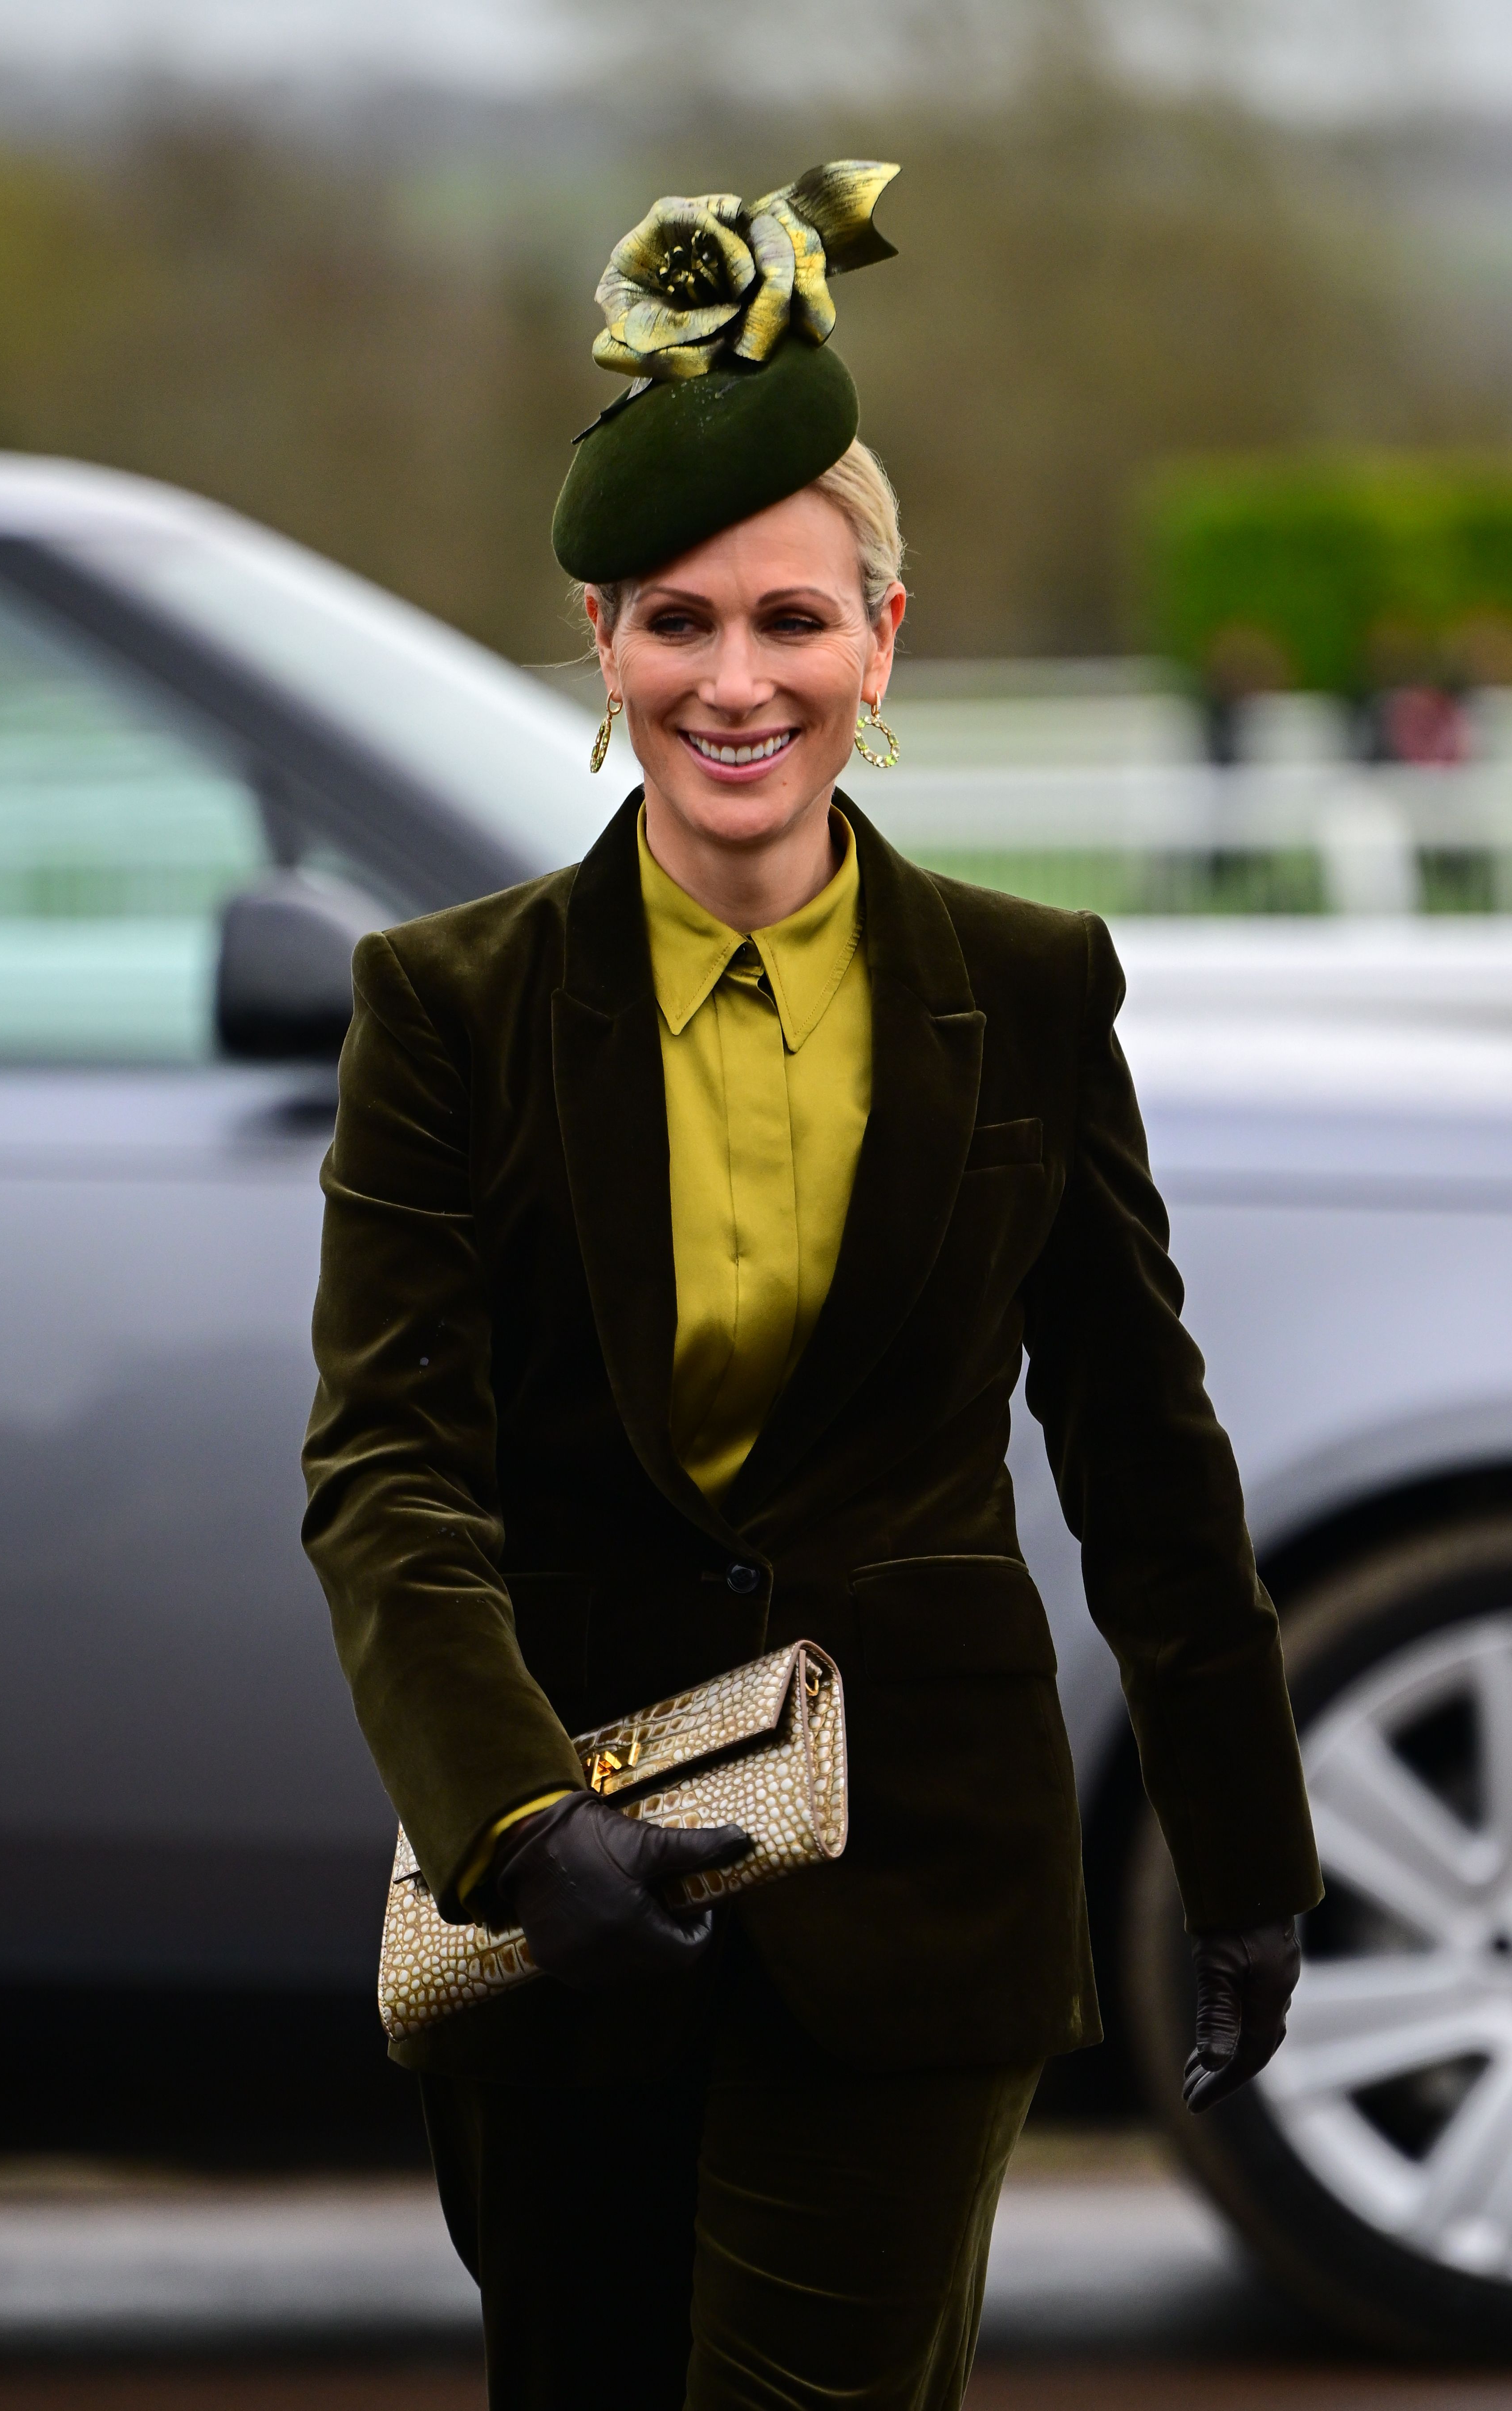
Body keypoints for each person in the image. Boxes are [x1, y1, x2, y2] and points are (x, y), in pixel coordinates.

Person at [301, 162, 1322, 2411]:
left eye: (790, 621)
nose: (733, 681)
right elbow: (388, 1468)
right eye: (678, 621)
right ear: (602, 647)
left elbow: (1143, 1451)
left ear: (884, 639)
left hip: (921, 1889)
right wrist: (510, 1823)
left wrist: (1251, 1851)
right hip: (562, 1891)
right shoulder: (447, 1007)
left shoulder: (1031, 992)